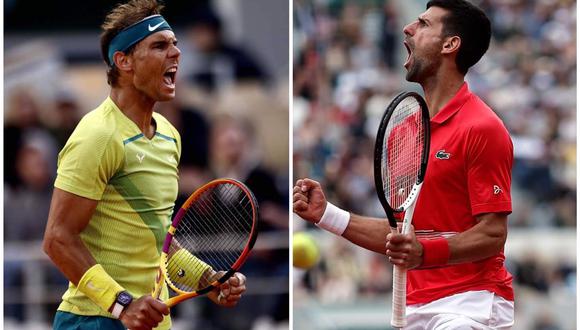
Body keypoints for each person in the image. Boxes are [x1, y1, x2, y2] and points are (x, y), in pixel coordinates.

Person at [293, 1, 514, 329]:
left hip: (470, 305)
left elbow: (493, 233)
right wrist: (327, 214)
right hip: (413, 307)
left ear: (450, 45)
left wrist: (424, 254)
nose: (408, 28)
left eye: (424, 24)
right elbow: (401, 233)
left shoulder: (483, 127)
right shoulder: (403, 132)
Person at [42, 1, 246, 329]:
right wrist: (122, 304)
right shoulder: (97, 135)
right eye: (160, 45)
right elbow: (57, 238)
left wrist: (206, 279)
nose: (176, 53)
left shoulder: (169, 136)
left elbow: (159, 239)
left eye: (175, 44)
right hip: (94, 320)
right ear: (124, 61)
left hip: (152, 319)